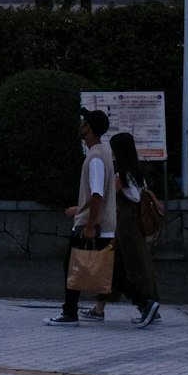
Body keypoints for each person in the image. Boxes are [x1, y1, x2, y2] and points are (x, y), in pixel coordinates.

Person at [45, 107, 117, 325]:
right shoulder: (104, 153)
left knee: (72, 265)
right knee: (103, 268)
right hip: (97, 221)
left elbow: (97, 194)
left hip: (90, 224)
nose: (81, 125)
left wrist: (90, 224)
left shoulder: (95, 157)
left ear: (90, 128)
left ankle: (69, 313)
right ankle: (144, 303)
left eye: (84, 123)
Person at [82, 131, 160, 327]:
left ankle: (147, 306)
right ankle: (100, 307)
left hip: (125, 226)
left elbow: (105, 199)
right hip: (129, 225)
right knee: (115, 266)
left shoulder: (121, 176)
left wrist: (80, 211)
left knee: (132, 267)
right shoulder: (137, 173)